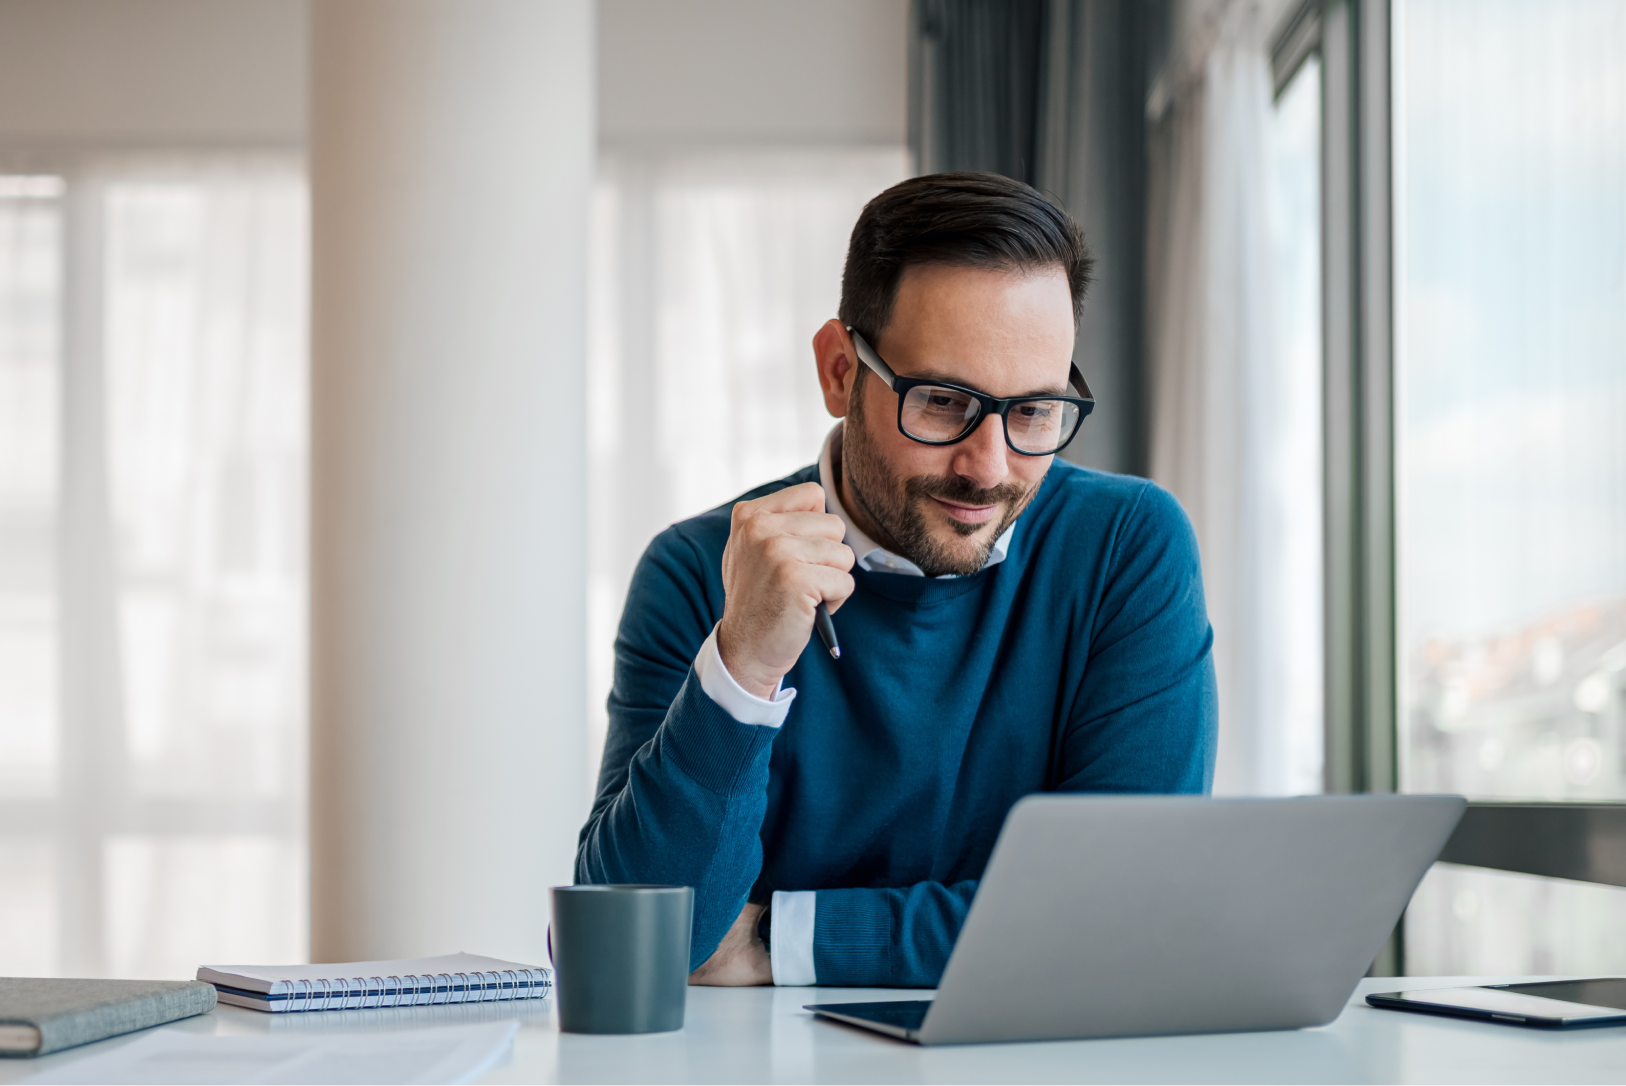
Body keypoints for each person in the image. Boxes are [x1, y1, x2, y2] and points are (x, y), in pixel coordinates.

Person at [576, 172, 1217, 988]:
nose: (989, 469)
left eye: (1035, 412)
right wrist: (743, 667)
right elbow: (626, 944)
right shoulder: (698, 571)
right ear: (841, 370)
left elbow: (1127, 914)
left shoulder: (1127, 547)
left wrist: (782, 940)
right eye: (944, 401)